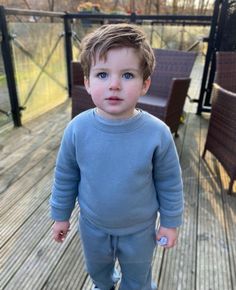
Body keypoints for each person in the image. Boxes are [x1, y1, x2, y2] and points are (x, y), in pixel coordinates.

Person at [50, 23, 184, 290]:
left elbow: (170, 183)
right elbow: (65, 176)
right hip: (92, 225)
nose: (113, 85)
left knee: (138, 276)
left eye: (127, 75)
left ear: (145, 84)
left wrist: (170, 224)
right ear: (87, 82)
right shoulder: (77, 129)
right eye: (102, 74)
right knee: (97, 271)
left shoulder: (157, 133)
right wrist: (60, 215)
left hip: (140, 230)